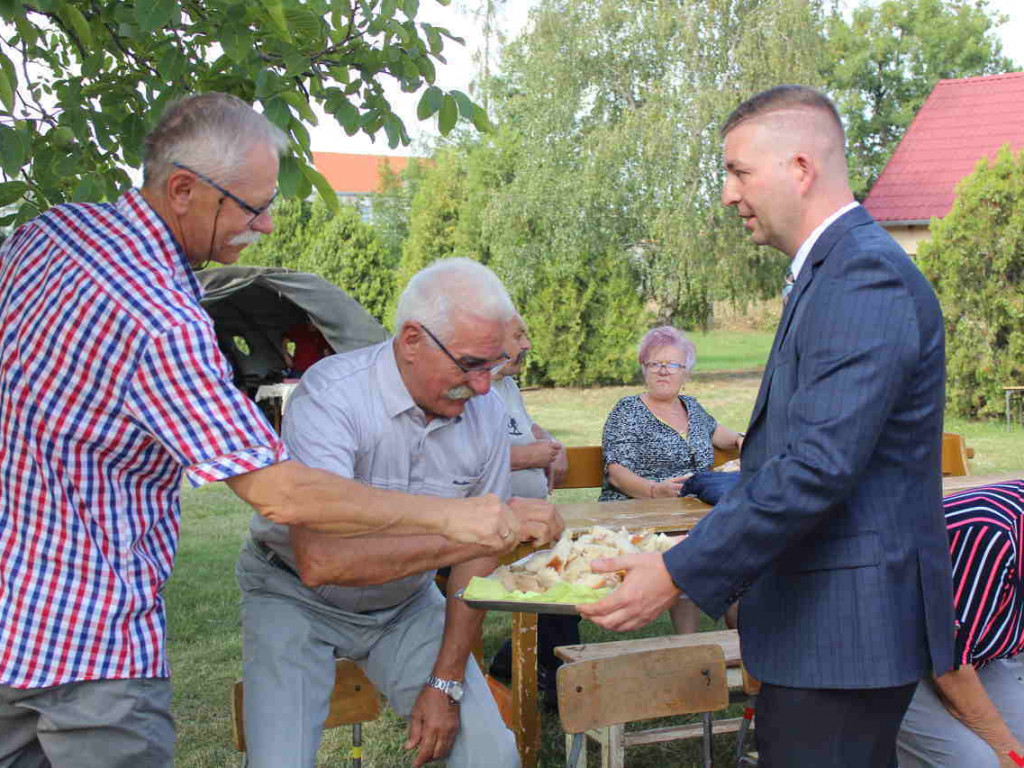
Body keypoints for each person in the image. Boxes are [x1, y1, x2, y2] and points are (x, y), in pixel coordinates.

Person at [0, 95, 542, 768]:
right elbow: (281, 497)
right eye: (253, 207)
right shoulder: (162, 318)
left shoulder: (48, 234)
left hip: (13, 619)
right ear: (182, 190)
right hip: (88, 635)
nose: (267, 224)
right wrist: (457, 521)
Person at [579, 84, 956, 767]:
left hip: (844, 637)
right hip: (821, 631)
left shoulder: (862, 274)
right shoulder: (832, 271)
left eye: (739, 171)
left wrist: (675, 571)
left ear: (801, 168)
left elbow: (814, 468)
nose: (728, 194)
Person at [236, 258, 563, 768]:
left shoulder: (487, 413)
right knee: (279, 760)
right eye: (471, 364)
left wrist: (445, 681)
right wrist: (476, 532)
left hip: (406, 604)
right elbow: (323, 561)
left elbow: (475, 567)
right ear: (412, 340)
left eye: (493, 366)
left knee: (492, 756)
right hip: (293, 595)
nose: (482, 386)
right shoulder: (332, 394)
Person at [897, 480, 1024, 768]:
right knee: (979, 763)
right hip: (895, 657)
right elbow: (949, 667)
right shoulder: (994, 534)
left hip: (976, 654)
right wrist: (1007, 750)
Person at [487, 313, 578, 705]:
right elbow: (465, 459)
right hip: (491, 530)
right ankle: (562, 681)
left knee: (563, 565)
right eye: (519, 335)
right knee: (555, 575)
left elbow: (526, 426)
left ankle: (524, 663)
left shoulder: (506, 386)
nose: (527, 345)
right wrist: (529, 456)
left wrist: (550, 442)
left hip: (531, 526)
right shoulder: (472, 391)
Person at [599, 325, 744, 505]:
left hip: (692, 511)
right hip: (637, 513)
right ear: (644, 369)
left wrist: (739, 440)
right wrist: (654, 491)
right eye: (655, 364)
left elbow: (715, 431)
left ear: (686, 373)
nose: (663, 371)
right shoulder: (627, 410)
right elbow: (616, 474)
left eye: (673, 365)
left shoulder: (692, 407)